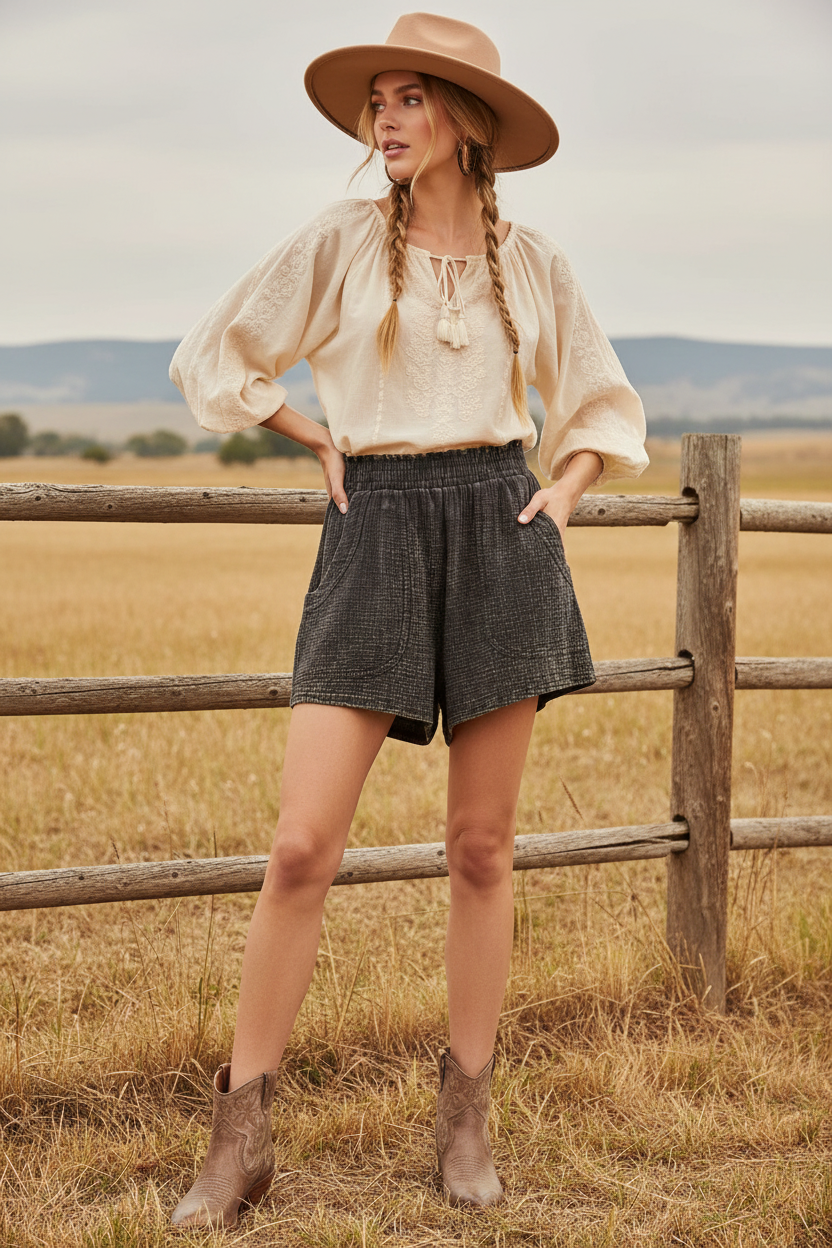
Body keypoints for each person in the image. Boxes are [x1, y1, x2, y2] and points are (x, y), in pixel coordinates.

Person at [168, 12, 647, 1228]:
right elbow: (218, 354)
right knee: (300, 848)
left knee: (481, 849)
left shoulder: (530, 259)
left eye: (409, 99)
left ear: (465, 122)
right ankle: (241, 1135)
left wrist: (562, 492)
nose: (383, 117)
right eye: (375, 100)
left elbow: (599, 401)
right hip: (374, 524)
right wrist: (313, 432)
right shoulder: (339, 240)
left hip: (499, 528)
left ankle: (466, 1122)